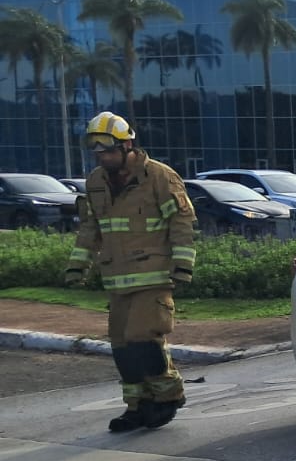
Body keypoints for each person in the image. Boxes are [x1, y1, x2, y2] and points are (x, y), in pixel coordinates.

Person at [64, 112, 197, 432]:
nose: (102, 156)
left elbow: (180, 222)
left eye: (108, 150)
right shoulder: (96, 182)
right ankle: (137, 406)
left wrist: (182, 265)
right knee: (122, 346)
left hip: (153, 275)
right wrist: (77, 264)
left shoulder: (159, 177)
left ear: (128, 146)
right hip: (117, 278)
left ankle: (168, 395)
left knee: (142, 338)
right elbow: (90, 228)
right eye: (97, 152)